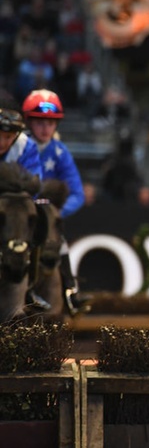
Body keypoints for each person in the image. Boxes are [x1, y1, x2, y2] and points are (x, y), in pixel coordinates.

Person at [21, 89, 89, 316]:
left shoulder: (60, 152)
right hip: (21, 213)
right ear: (29, 121)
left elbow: (78, 194)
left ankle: (71, 291)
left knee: (59, 241)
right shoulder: (17, 147)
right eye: (40, 121)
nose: (45, 128)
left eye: (51, 122)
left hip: (47, 216)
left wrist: (55, 212)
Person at [0, 97, 42, 179]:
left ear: (17, 135)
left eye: (8, 137)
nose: (1, 143)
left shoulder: (25, 147)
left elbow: (34, 186)